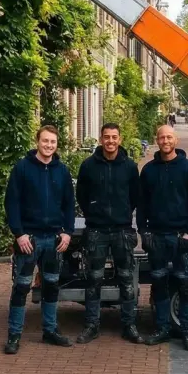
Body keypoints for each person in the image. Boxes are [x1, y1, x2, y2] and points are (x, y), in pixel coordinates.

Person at [3, 125, 75, 354]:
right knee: (21, 287)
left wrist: (67, 231)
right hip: (29, 239)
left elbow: (68, 205)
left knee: (51, 286)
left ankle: (50, 330)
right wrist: (19, 233)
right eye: (45, 141)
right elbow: (11, 203)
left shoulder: (62, 171)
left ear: (57, 144)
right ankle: (14, 335)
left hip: (53, 239)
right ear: (37, 141)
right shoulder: (22, 169)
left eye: (53, 142)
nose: (49, 145)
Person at [137, 124, 188, 350]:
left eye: (169, 137)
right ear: (157, 140)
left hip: (180, 239)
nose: (165, 141)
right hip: (156, 237)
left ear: (175, 140)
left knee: (185, 286)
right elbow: (142, 204)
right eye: (161, 137)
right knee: (159, 285)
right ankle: (162, 329)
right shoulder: (148, 170)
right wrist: (143, 231)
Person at [75, 123, 142, 344]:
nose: (110, 141)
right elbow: (81, 195)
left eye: (114, 137)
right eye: (106, 137)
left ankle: (129, 325)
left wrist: (123, 213)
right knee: (93, 279)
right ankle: (92, 325)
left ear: (120, 139)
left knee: (126, 279)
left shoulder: (130, 167)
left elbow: (135, 196)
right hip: (97, 230)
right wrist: (93, 211)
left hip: (122, 229)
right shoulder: (88, 166)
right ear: (100, 139)